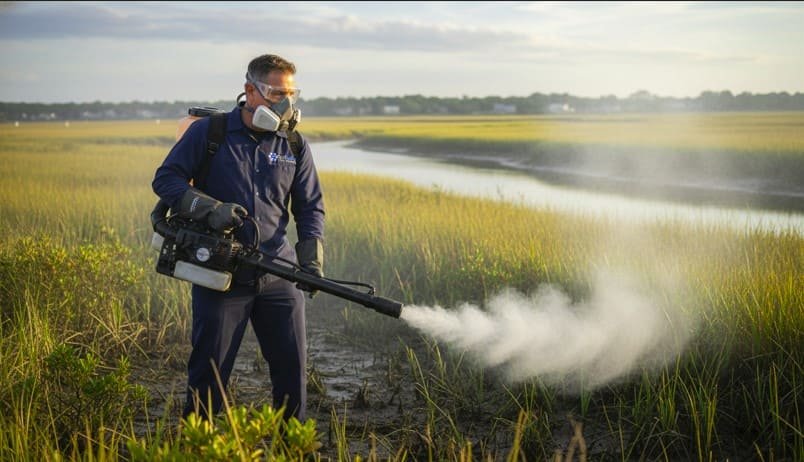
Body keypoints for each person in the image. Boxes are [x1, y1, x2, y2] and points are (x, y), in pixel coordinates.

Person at [152, 54, 325, 422]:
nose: (287, 104)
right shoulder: (210, 134)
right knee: (208, 376)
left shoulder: (293, 145)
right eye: (277, 93)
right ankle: (199, 446)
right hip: (221, 276)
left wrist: (311, 261)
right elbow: (166, 180)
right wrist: (209, 207)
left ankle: (291, 448)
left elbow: (309, 207)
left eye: (292, 93)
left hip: (280, 274)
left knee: (292, 376)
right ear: (250, 90)